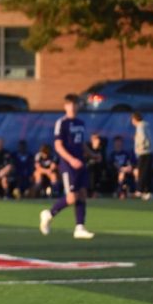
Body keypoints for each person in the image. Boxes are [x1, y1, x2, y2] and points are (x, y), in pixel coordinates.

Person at [39, 94, 94, 239]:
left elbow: (81, 144)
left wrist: (93, 154)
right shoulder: (62, 123)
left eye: (75, 104)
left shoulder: (81, 123)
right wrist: (71, 160)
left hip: (80, 162)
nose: (73, 107)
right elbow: (58, 146)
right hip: (68, 164)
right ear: (65, 106)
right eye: (70, 104)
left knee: (82, 194)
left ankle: (79, 227)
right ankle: (49, 214)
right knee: (71, 198)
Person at [132, 112, 153, 200]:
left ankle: (140, 191)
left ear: (134, 119)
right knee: (147, 173)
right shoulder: (145, 126)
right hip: (149, 152)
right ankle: (148, 192)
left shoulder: (140, 126)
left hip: (144, 153)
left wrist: (140, 148)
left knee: (143, 172)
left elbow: (142, 138)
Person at [110, 136, 135, 200]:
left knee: (135, 172)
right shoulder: (112, 154)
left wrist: (128, 168)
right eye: (117, 142)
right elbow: (115, 164)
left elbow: (129, 164)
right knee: (122, 174)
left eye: (120, 142)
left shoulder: (126, 153)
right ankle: (120, 192)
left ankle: (136, 191)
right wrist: (122, 169)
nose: (118, 144)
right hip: (116, 172)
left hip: (126, 170)